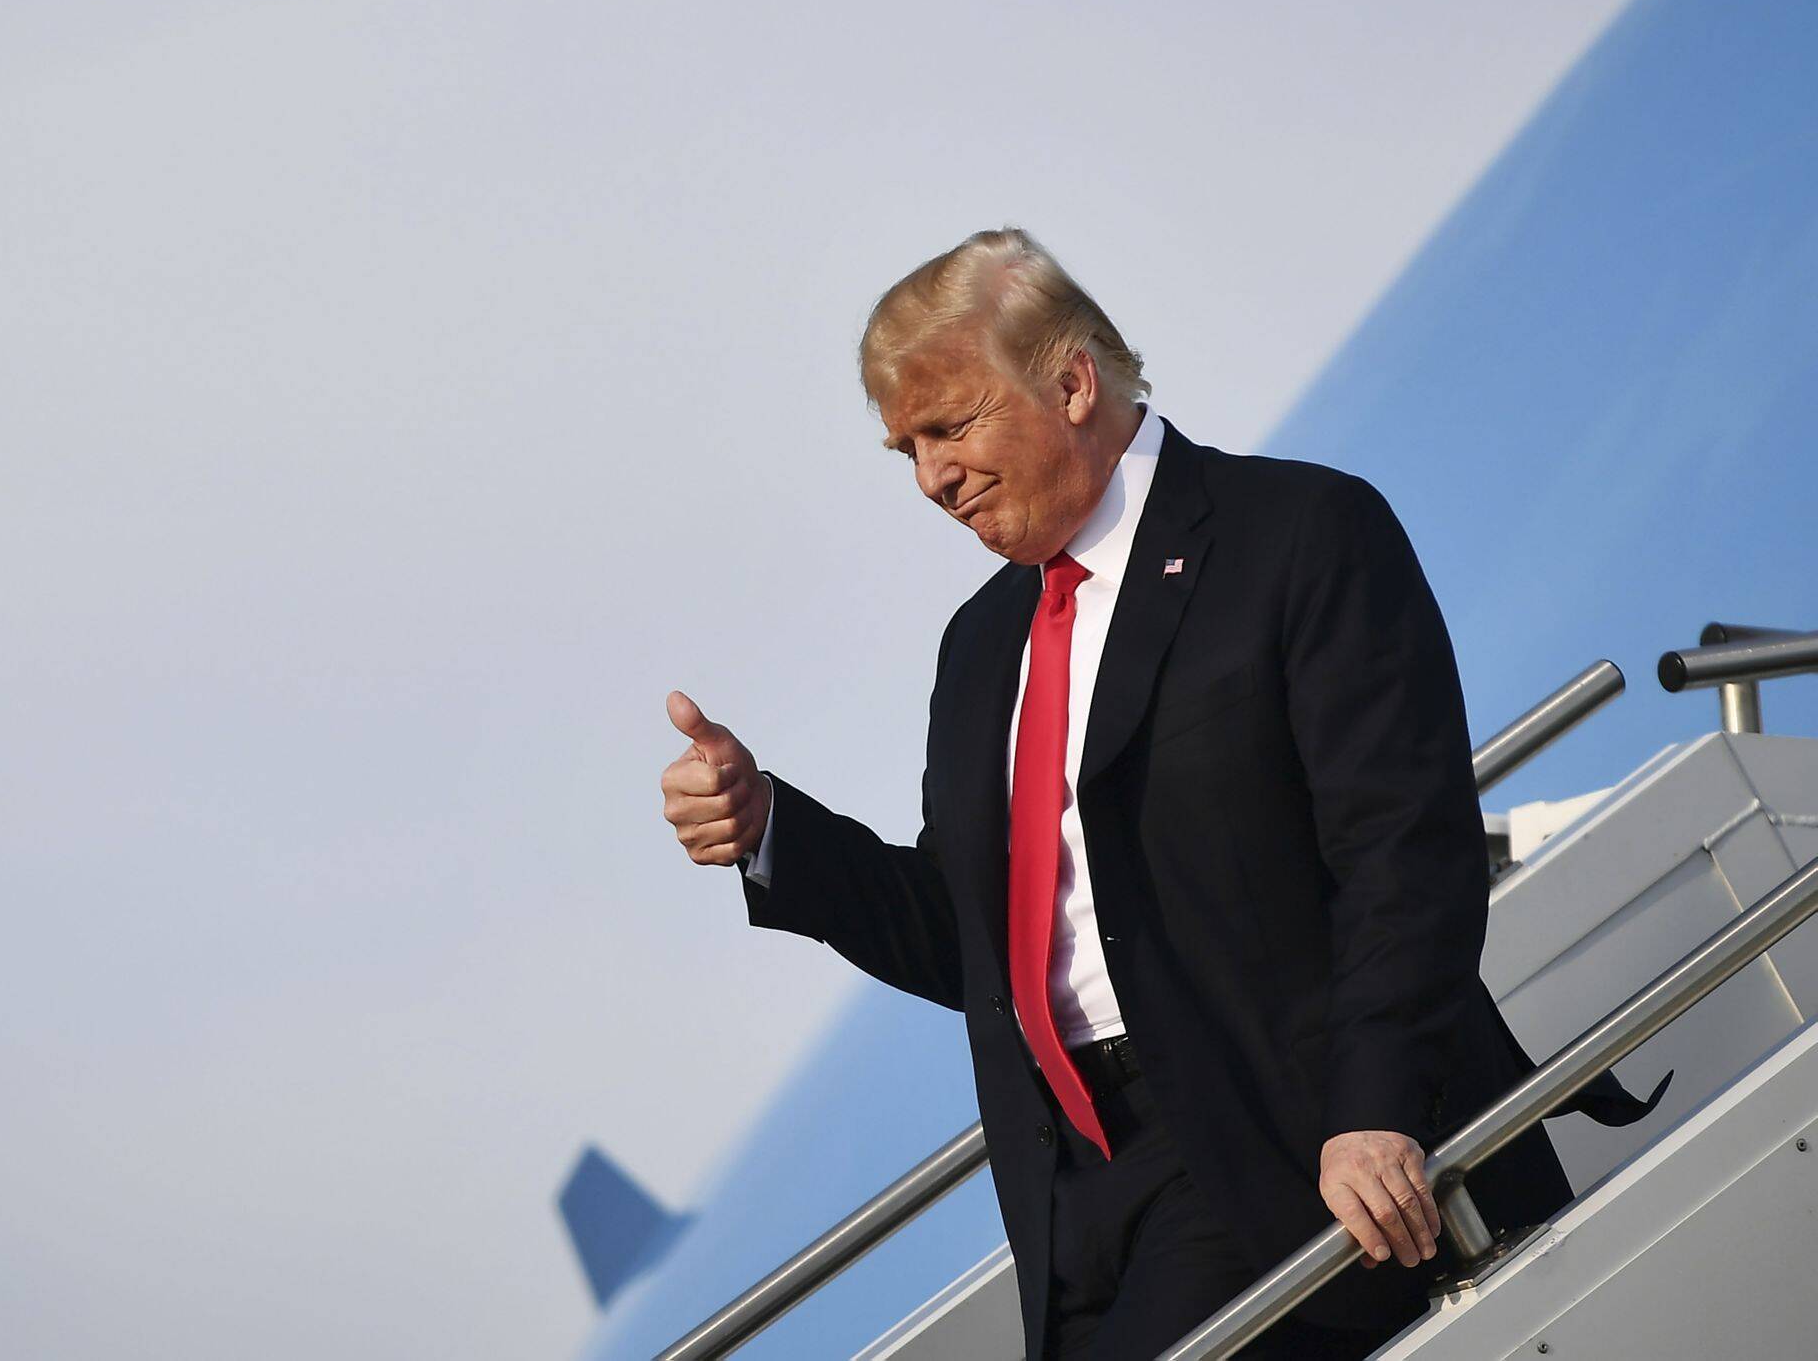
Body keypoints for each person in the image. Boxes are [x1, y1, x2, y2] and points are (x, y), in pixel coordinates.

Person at [659, 228, 1656, 1359]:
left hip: (1282, 1142)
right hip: (1075, 1196)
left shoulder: (1300, 535)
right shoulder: (983, 645)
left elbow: (1403, 852)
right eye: (907, 451)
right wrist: (772, 830)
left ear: (1074, 381)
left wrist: (1372, 1106)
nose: (933, 478)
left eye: (951, 427)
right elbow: (972, 938)